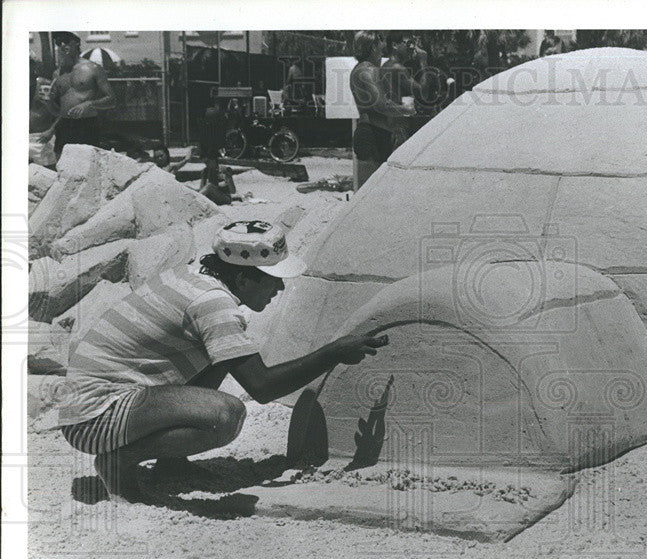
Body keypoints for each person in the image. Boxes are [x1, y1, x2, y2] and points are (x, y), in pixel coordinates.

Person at [57, 220, 389, 501]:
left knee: (221, 357)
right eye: (273, 280)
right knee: (226, 415)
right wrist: (332, 353)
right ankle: (119, 459)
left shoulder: (194, 278)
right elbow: (262, 387)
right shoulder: (214, 304)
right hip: (92, 420)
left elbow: (230, 362)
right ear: (244, 279)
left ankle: (172, 464)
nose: (279, 289)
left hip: (92, 403)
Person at [349, 31, 414, 189]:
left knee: (369, 194)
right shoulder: (369, 71)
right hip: (372, 136)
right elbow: (381, 104)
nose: (382, 50)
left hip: (371, 134)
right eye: (380, 46)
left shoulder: (359, 70)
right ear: (372, 48)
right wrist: (405, 109)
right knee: (372, 194)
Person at [40, 31, 117, 156]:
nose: (62, 45)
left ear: (76, 42)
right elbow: (58, 112)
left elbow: (112, 100)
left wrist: (88, 104)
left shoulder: (93, 69)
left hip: (87, 125)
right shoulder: (57, 74)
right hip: (64, 127)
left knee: (89, 167)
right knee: (62, 166)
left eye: (66, 40)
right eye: (58, 42)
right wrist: (48, 103)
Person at [380, 34, 431, 147]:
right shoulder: (397, 68)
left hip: (391, 124)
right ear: (395, 45)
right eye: (408, 43)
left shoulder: (387, 65)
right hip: (398, 127)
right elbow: (423, 93)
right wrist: (423, 62)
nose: (412, 47)